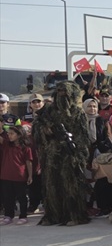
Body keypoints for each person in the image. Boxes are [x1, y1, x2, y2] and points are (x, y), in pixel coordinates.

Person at [33, 81, 91, 227]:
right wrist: (45, 131)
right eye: (58, 91)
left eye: (65, 92)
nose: (61, 95)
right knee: (51, 186)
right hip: (52, 154)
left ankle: (74, 215)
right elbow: (38, 126)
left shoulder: (77, 113)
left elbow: (83, 136)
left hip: (70, 154)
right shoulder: (49, 111)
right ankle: (53, 215)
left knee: (70, 186)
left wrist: (77, 154)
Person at [0, 125, 33, 225]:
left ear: (19, 135)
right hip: (6, 176)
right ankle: (8, 215)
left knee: (21, 197)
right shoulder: (6, 144)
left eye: (11, 134)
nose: (9, 136)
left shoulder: (25, 148)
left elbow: (28, 162)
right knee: (7, 197)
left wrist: (30, 175)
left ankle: (23, 216)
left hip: (19, 176)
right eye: (8, 133)